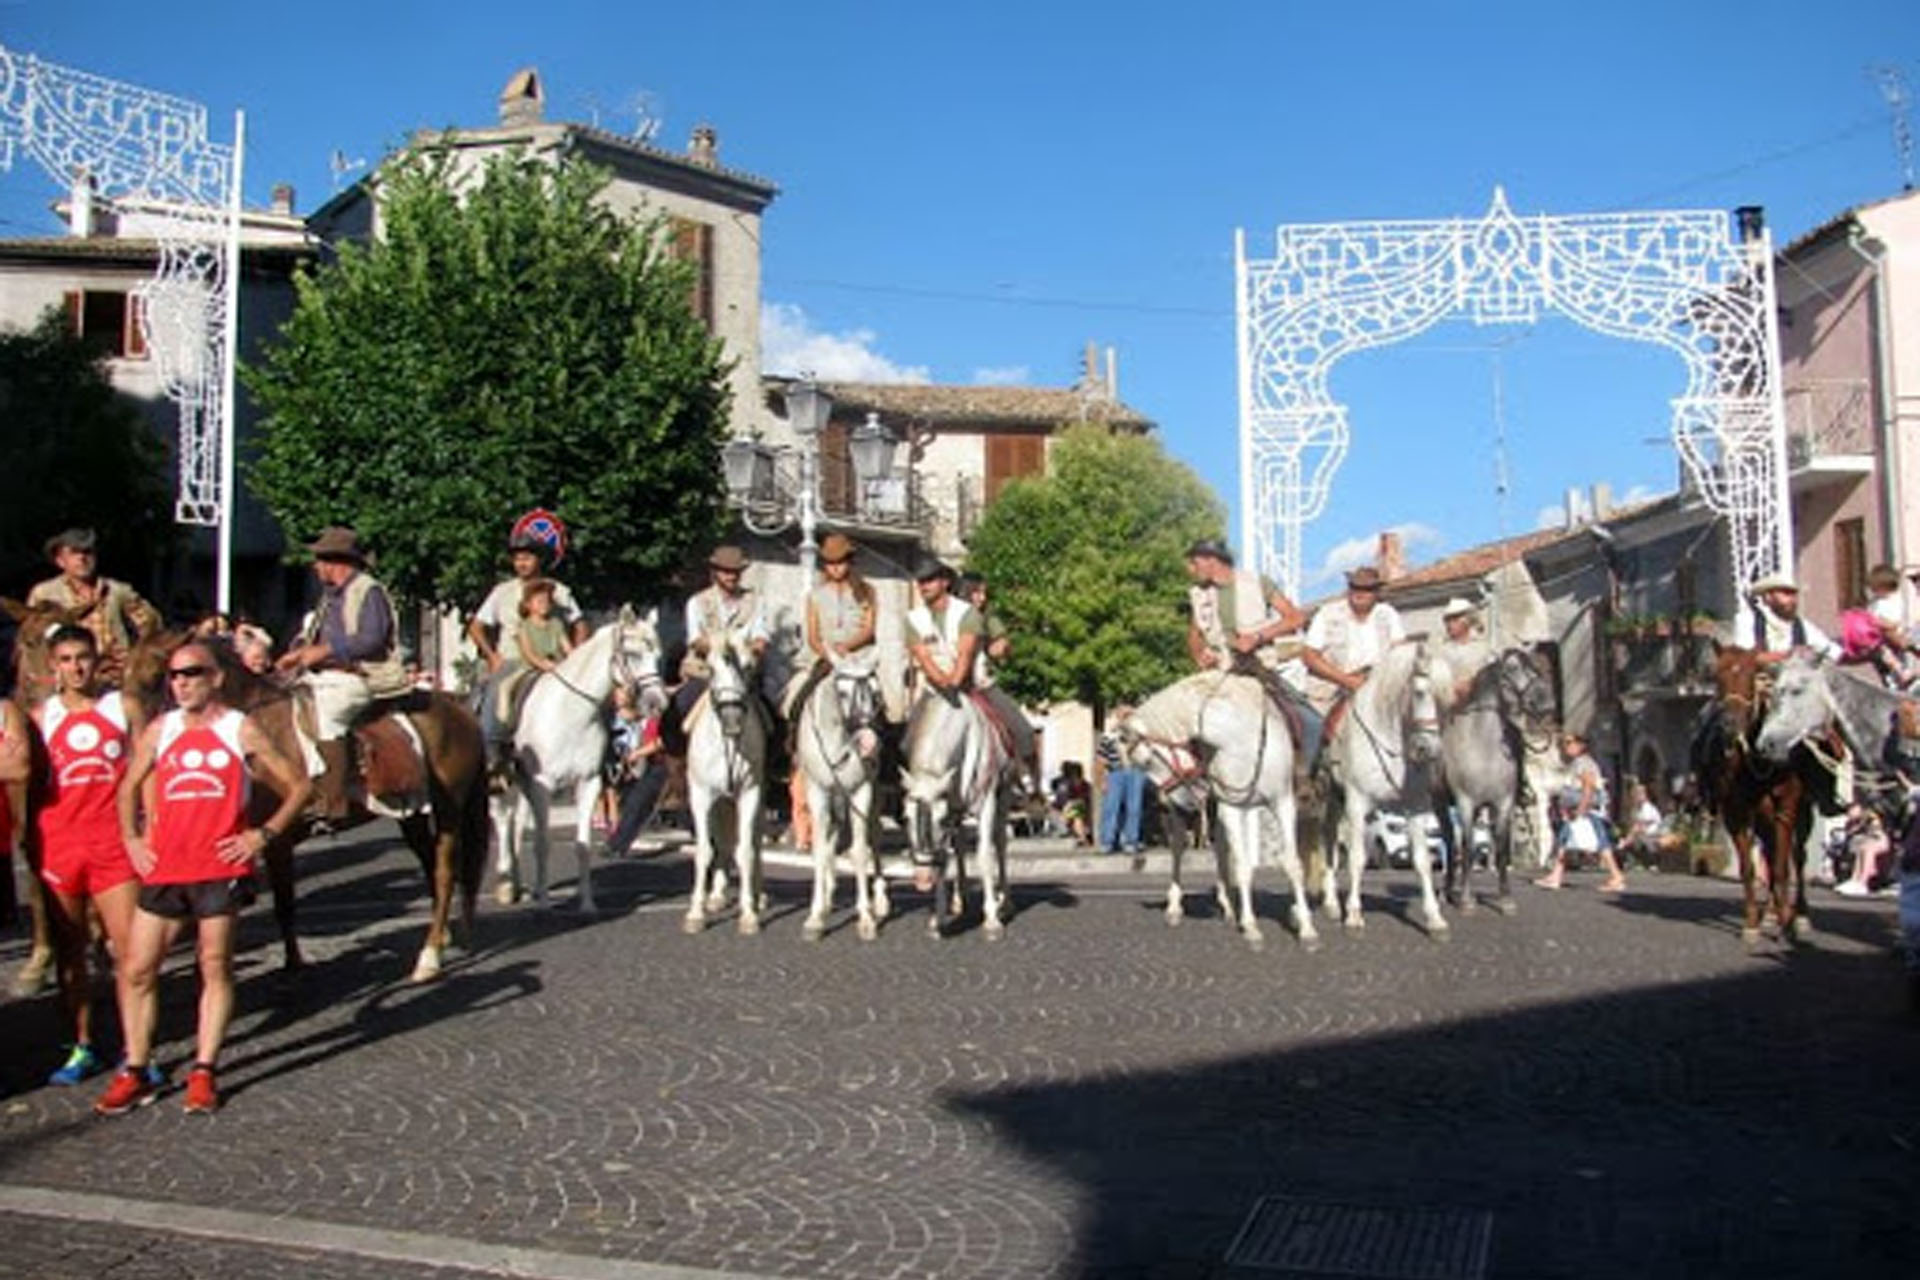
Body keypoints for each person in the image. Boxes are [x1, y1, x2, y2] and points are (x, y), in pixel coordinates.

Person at [94, 641, 311, 1115]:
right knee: (136, 969)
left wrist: (263, 834)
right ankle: (135, 1067)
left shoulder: (240, 727)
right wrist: (132, 839)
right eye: (175, 675)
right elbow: (128, 785)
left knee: (214, 965)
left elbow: (299, 785)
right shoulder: (161, 728)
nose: (182, 682)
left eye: (193, 673)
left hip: (219, 868)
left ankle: (204, 1069)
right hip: (167, 867)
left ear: (215, 678)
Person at [31, 627, 141, 1087]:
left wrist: (146, 831)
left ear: (97, 661)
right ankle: (83, 1044)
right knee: (71, 952)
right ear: (53, 666)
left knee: (129, 953)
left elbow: (145, 770)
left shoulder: (123, 707)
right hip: (60, 844)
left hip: (113, 843)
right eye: (66, 659)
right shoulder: (41, 717)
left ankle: (138, 1052)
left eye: (83, 658)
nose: (76, 668)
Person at [274, 527, 405, 825]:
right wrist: (298, 652)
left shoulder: (368, 590)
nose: (316, 566)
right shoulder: (329, 598)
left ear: (337, 561)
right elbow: (313, 640)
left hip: (365, 675)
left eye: (320, 560)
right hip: (325, 676)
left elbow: (371, 639)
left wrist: (324, 651)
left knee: (328, 714)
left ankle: (332, 801)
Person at [470, 531, 586, 760]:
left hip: (556, 663)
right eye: (517, 558)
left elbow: (580, 625)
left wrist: (576, 658)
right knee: (497, 695)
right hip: (515, 660)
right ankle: (491, 751)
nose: (521, 563)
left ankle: (605, 755)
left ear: (539, 560)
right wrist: (492, 657)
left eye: (527, 558)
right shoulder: (502, 592)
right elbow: (476, 626)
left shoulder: (560, 592)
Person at [661, 545, 772, 755]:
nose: (731, 576)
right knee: (677, 709)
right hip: (705, 673)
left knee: (771, 716)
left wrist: (751, 648)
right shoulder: (697, 602)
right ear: (715, 572)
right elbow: (695, 640)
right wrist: (721, 646)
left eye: (735, 572)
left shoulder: (755, 601)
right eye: (726, 571)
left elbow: (761, 637)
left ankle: (774, 763)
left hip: (743, 676)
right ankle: (674, 760)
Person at [26, 528, 162, 695]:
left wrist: (134, 657)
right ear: (60, 561)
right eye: (74, 553)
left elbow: (152, 624)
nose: (82, 558)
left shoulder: (117, 591)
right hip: (67, 680)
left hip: (115, 677)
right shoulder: (45, 594)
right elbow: (33, 638)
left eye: (87, 552)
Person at [1304, 564, 1407, 769]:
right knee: (1313, 726)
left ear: (1376, 593)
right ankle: (1311, 776)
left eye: (1366, 589)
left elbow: (1400, 652)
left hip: (1380, 684)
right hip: (1332, 685)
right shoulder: (1328, 613)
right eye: (1355, 588)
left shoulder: (1388, 614)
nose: (1360, 594)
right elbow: (1309, 656)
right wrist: (1346, 680)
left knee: (1419, 722)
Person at [955, 572, 1038, 786]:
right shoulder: (950, 614)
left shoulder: (987, 617)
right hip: (947, 683)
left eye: (984, 593)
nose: (982, 598)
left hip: (980, 685)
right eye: (976, 592)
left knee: (1025, 732)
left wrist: (1002, 647)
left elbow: (1000, 643)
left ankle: (1026, 780)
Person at [1534, 730, 1625, 893]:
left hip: (1587, 809)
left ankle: (1616, 875)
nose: (1566, 746)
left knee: (1598, 842)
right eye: (1564, 743)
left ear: (1580, 745)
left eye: (1569, 743)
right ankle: (1556, 875)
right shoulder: (1579, 762)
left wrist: (1581, 809)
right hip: (1583, 809)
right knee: (1567, 840)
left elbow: (1588, 787)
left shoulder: (1583, 762)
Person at [1731, 573, 1840, 664]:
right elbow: (1746, 657)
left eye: (1794, 595)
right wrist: (1789, 654)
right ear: (1768, 597)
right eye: (1786, 593)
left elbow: (1831, 651)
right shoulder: (1748, 620)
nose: (1792, 600)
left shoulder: (1802, 625)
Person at [1096, 706, 1145, 856]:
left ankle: (1131, 841)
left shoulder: (1140, 734)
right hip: (1114, 772)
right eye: (1122, 715)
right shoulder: (1108, 736)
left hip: (1135, 771)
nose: (1125, 717)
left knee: (1134, 808)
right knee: (1111, 808)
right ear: (1116, 716)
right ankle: (1107, 841)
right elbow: (1100, 760)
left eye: (1128, 715)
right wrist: (1102, 780)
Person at [1433, 597, 1493, 709]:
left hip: (1481, 707)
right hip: (1452, 710)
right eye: (1447, 620)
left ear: (1467, 620)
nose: (1449, 625)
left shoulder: (1483, 648)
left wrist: (1473, 683)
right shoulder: (1440, 651)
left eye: (1454, 619)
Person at [1050, 761, 1092, 845]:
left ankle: (1082, 837)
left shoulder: (1085, 786)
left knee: (1077, 814)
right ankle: (1081, 836)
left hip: (1078, 810)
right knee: (1076, 815)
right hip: (1067, 810)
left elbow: (1084, 800)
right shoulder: (1062, 782)